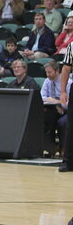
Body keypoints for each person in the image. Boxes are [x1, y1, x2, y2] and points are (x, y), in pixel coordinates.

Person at [41, 60, 69, 156]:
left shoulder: (68, 83)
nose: (47, 75)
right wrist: (50, 100)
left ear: (57, 71)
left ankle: (63, 148)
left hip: (67, 111)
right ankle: (50, 147)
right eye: (46, 72)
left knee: (62, 123)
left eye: (49, 72)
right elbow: (42, 97)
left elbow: (69, 103)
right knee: (45, 119)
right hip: (53, 111)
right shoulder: (47, 81)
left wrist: (58, 103)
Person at [60, 42, 73, 172]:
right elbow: (66, 68)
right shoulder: (72, 46)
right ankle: (68, 162)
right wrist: (63, 91)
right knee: (71, 125)